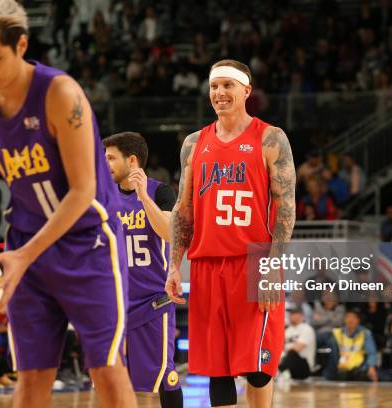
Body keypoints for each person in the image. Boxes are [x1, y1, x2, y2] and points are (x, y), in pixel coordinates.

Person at [0, 1, 136, 406]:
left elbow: (83, 191)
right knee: (30, 379)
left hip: (89, 243)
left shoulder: (60, 93)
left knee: (108, 373)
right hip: (25, 242)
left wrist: (24, 255)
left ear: (21, 45)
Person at [165, 59, 296, 407]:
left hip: (253, 263)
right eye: (214, 87)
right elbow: (183, 209)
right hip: (208, 265)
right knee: (217, 370)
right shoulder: (194, 143)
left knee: (257, 367)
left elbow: (285, 205)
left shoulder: (270, 137)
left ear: (246, 91)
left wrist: (270, 267)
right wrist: (174, 265)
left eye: (228, 85)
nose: (220, 93)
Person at [104, 131, 183, 408]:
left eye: (111, 158)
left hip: (152, 300)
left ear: (132, 160)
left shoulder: (161, 191)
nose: (106, 164)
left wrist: (142, 197)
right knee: (110, 377)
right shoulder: (103, 194)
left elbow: (170, 234)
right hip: (113, 301)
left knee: (166, 376)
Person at [324, 309, 379, 382]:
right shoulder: (337, 333)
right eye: (348, 317)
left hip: (359, 369)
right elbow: (333, 354)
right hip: (339, 369)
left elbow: (372, 353)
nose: (350, 319)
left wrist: (371, 367)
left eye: (353, 317)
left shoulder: (365, 333)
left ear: (358, 320)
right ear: (344, 319)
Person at [278, 304, 316, 382]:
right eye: (290, 313)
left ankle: (278, 372)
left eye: (293, 313)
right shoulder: (287, 330)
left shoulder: (307, 329)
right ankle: (278, 372)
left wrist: (286, 349)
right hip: (288, 362)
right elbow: (280, 348)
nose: (290, 315)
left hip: (304, 367)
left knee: (292, 353)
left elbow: (297, 348)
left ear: (300, 315)